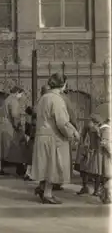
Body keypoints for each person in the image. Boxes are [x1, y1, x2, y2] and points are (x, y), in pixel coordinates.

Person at [32, 73, 80, 204]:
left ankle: (42, 188)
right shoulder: (57, 99)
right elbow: (62, 122)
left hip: (42, 135)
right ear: (63, 84)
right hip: (53, 137)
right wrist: (73, 133)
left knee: (45, 165)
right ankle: (47, 194)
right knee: (53, 166)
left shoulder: (43, 98)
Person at [0, 86, 25, 175]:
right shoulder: (14, 100)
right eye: (21, 94)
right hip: (9, 125)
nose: (21, 96)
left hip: (1, 125)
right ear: (17, 93)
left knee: (1, 148)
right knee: (17, 145)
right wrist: (18, 126)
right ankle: (20, 168)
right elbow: (15, 115)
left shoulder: (7, 99)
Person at [75, 114, 102, 196]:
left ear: (95, 122)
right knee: (84, 169)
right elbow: (82, 135)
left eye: (90, 120)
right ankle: (84, 187)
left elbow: (102, 140)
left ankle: (96, 190)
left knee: (97, 171)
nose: (88, 122)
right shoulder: (87, 127)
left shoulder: (101, 128)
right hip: (88, 150)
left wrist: (98, 132)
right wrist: (82, 143)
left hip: (97, 151)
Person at [98, 117, 111, 204]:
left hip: (107, 157)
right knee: (109, 177)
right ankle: (105, 195)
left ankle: (105, 196)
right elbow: (105, 142)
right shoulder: (107, 130)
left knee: (107, 177)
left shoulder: (106, 129)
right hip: (108, 157)